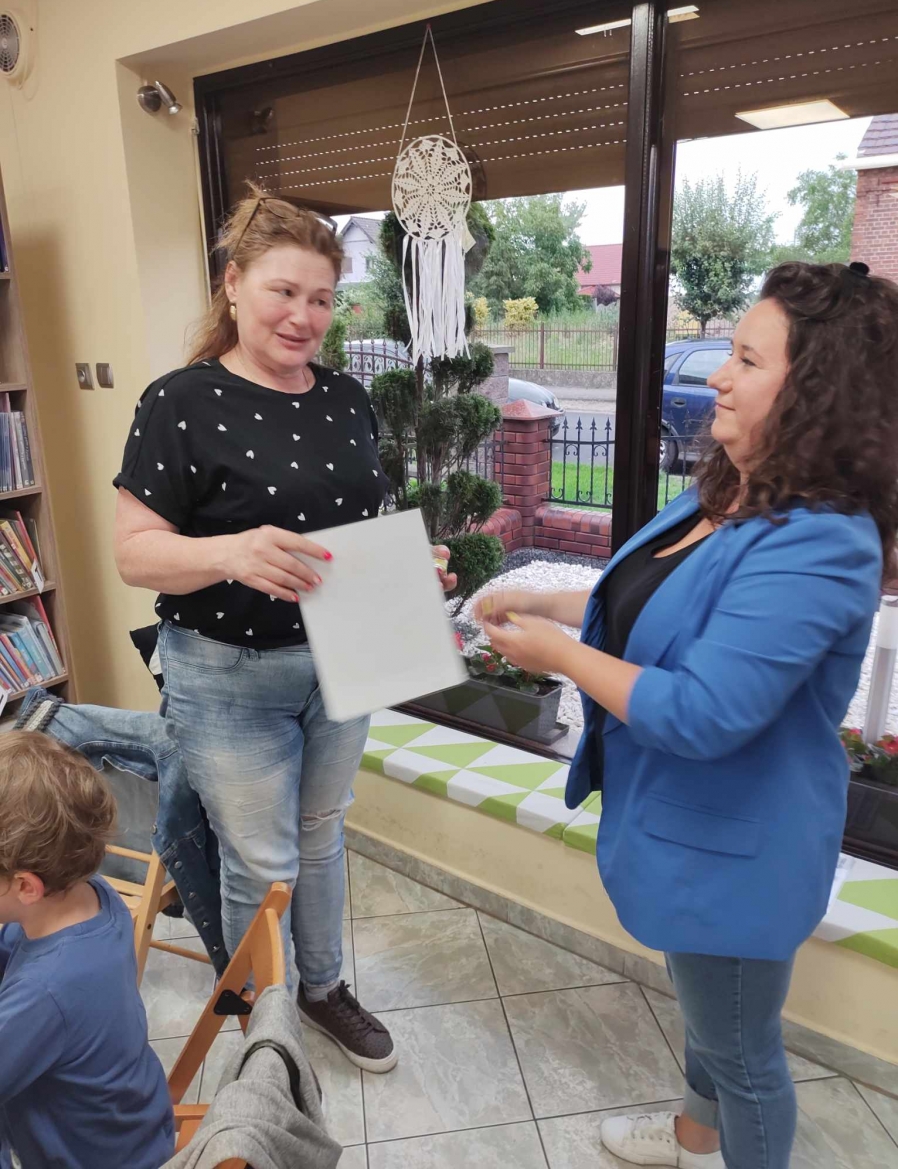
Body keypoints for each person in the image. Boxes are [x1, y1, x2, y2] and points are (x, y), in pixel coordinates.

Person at [475, 261, 898, 1169]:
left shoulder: (821, 540)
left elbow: (706, 711)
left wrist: (561, 659)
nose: (718, 377)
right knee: (712, 1018)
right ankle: (693, 1139)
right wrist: (548, 603)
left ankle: (725, 1141)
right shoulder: (732, 487)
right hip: (684, 827)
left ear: (820, 392)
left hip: (739, 851)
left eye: (747, 359)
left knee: (744, 1056)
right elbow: (658, 603)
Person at [113, 187, 455, 1075]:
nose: (304, 316)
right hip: (225, 674)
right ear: (233, 284)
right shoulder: (180, 402)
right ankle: (263, 1028)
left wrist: (407, 571)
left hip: (342, 657)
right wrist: (229, 552)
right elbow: (135, 556)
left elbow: (354, 528)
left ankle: (321, 988)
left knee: (322, 832)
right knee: (260, 861)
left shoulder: (345, 398)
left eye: (322, 298)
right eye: (283, 291)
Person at [0, 730, 174, 1169]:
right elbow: (12, 949)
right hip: (137, 1122)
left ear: (26, 887)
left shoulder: (45, 993)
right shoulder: (93, 894)